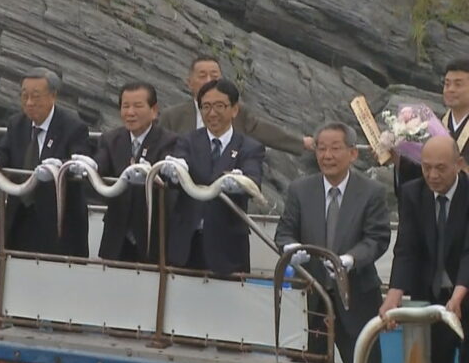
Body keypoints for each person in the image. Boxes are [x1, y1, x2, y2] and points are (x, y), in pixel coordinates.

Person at [275, 122, 390, 363]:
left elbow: (377, 238)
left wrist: (351, 259)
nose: (327, 156)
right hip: (311, 299)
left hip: (357, 298)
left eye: (335, 148)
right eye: (321, 149)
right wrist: (290, 249)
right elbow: (284, 232)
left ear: (353, 153)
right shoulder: (300, 189)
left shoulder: (372, 191)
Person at [0, 68, 91, 257]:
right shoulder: (17, 123)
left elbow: (80, 160)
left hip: (57, 218)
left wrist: (59, 166)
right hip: (20, 213)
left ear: (53, 96)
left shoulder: (73, 126)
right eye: (24, 96)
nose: (29, 103)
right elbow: (6, 151)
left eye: (36, 97)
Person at [382, 136, 469, 363]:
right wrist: (394, 294)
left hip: (465, 290)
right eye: (426, 167)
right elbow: (406, 248)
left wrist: (459, 296)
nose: (432, 175)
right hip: (430, 296)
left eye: (440, 168)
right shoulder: (413, 193)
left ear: (459, 163)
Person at [165, 78, 264, 275]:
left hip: (227, 248)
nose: (212, 113)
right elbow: (177, 166)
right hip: (186, 244)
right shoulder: (187, 140)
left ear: (234, 109)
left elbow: (253, 181)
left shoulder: (250, 147)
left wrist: (239, 182)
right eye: (206, 107)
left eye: (219, 106)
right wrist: (175, 170)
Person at [77, 82, 178, 261]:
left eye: (138, 106)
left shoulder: (169, 141)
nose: (130, 112)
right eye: (125, 106)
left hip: (152, 236)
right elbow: (101, 161)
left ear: (154, 110)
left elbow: (167, 174)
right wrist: (90, 166)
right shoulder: (111, 139)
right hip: (117, 237)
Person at [158, 57, 313, 155]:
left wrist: (301, 142)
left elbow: (265, 131)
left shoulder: (236, 112)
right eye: (202, 76)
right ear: (189, 83)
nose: (209, 80)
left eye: (214, 75)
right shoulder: (172, 116)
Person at [396, 59, 469, 194]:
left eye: (458, 84)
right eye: (447, 84)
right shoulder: (432, 126)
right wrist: (398, 159)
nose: (450, 89)